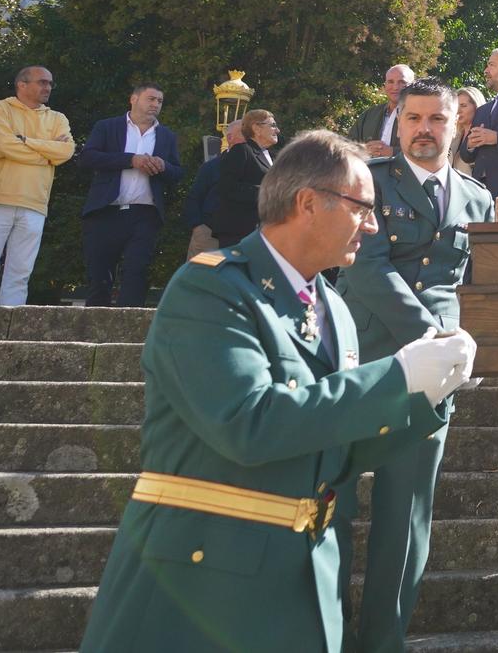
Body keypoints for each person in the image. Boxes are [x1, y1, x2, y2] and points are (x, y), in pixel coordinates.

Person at [78, 130, 475, 653]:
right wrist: (398, 376)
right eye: (362, 208)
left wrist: (429, 396)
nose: (373, 225)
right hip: (205, 580)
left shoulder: (334, 308)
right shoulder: (212, 288)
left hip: (305, 582)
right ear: (308, 203)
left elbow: (336, 450)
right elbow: (248, 424)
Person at [336, 78, 496, 653]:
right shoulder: (368, 185)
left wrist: (472, 346)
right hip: (366, 360)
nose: (425, 129)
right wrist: (435, 338)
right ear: (397, 123)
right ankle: (323, 635)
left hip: (435, 380)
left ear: (457, 126)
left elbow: (473, 284)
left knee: (406, 518)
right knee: (330, 505)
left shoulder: (479, 197)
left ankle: (382, 642)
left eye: (437, 120)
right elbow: (366, 270)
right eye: (414, 119)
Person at [0, 66, 73, 307]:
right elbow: (1, 145)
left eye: (50, 83)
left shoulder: (58, 118)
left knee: (20, 276)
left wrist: (25, 141)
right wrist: (45, 152)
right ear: (21, 85)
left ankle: (7, 333)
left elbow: (65, 151)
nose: (48, 87)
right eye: (42, 82)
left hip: (35, 204)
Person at [77, 83, 185, 307]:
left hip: (145, 213)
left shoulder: (166, 136)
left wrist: (163, 166)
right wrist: (130, 160)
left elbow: (177, 173)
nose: (155, 104)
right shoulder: (107, 127)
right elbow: (88, 158)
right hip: (105, 210)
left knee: (137, 270)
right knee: (99, 274)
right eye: (151, 99)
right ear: (133, 99)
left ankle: (127, 327)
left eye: (160, 101)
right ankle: (94, 329)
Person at [211, 110, 280, 247]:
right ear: (256, 128)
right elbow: (226, 188)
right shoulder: (241, 151)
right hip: (240, 232)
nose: (277, 130)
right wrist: (266, 192)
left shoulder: (273, 157)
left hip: (267, 231)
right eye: (272, 125)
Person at [184, 119, 244, 260]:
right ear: (230, 138)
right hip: (209, 236)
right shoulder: (212, 167)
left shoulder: (261, 167)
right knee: (202, 279)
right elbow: (194, 197)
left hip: (242, 240)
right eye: (244, 133)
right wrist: (199, 228)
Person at [462, 47, 498, 196]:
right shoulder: (483, 110)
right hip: (479, 193)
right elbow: (466, 155)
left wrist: (497, 138)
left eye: (491, 65)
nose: (486, 70)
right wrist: (470, 145)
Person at [347, 65, 416, 159]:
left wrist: (393, 152)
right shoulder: (369, 115)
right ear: (385, 85)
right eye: (390, 82)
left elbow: (428, 150)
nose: (395, 87)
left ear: (413, 86)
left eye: (402, 82)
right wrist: (364, 149)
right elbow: (348, 145)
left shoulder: (420, 116)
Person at [451, 86, 485, 177]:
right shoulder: (453, 136)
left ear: (477, 107)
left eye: (463, 106)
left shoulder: (483, 133)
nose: (458, 111)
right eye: (456, 106)